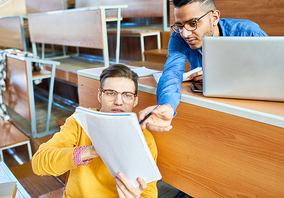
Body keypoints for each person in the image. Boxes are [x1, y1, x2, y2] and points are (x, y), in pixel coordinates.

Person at [139, 0, 268, 133]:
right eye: (180, 25)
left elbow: (271, 75)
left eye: (193, 23)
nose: (185, 34)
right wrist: (167, 105)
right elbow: (172, 71)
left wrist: (219, 76)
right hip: (213, 115)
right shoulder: (179, 36)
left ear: (214, 18)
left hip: (252, 112)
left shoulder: (248, 33)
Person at [32, 64, 158, 198]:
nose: (119, 101)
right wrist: (89, 151)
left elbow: (148, 194)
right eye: (111, 93)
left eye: (127, 95)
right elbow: (39, 163)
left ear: (135, 100)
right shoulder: (79, 122)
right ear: (100, 95)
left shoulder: (145, 139)